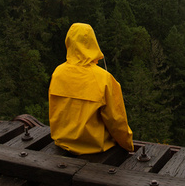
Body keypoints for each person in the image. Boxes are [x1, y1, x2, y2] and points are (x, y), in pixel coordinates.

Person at [48, 23, 134, 155]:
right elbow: (116, 121)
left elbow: (55, 110)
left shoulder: (58, 73)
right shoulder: (104, 78)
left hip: (62, 144)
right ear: (93, 43)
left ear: (69, 42)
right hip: (95, 150)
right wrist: (128, 145)